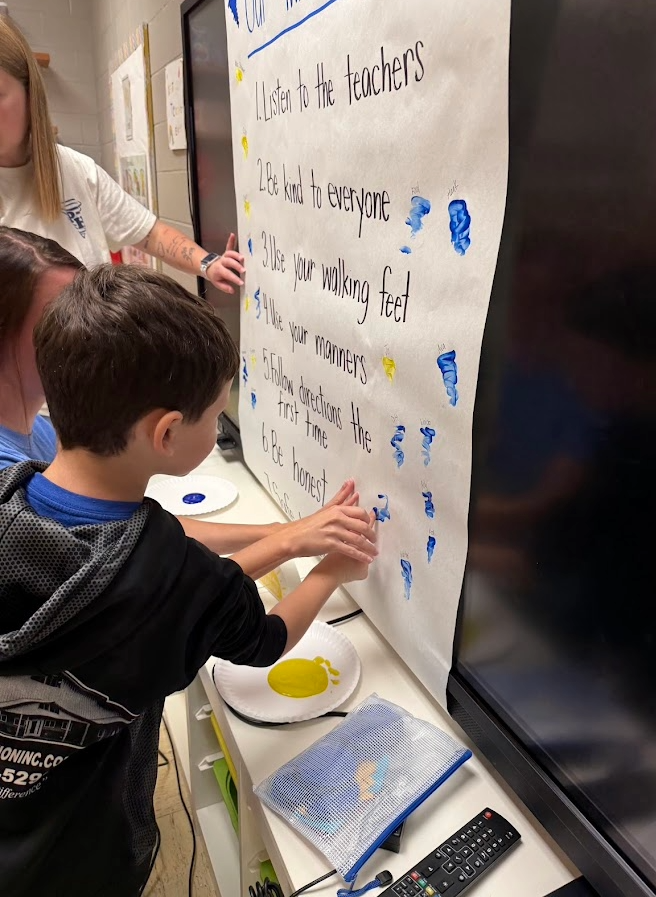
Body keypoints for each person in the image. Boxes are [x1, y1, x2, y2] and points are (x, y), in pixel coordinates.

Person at [0, 264, 376, 897]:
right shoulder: (171, 574)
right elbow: (265, 640)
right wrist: (333, 568)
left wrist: (282, 534)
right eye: (215, 418)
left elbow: (152, 555)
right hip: (86, 851)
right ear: (168, 432)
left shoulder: (12, 498)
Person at [0, 226, 378, 561]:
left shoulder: (48, 433)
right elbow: (151, 595)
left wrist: (278, 533)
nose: (82, 324)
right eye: (59, 313)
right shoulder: (11, 486)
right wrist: (288, 544)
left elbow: (137, 532)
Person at [0, 17, 244, 294]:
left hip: (92, 335)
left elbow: (148, 233)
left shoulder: (76, 171)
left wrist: (208, 263)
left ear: (30, 94)